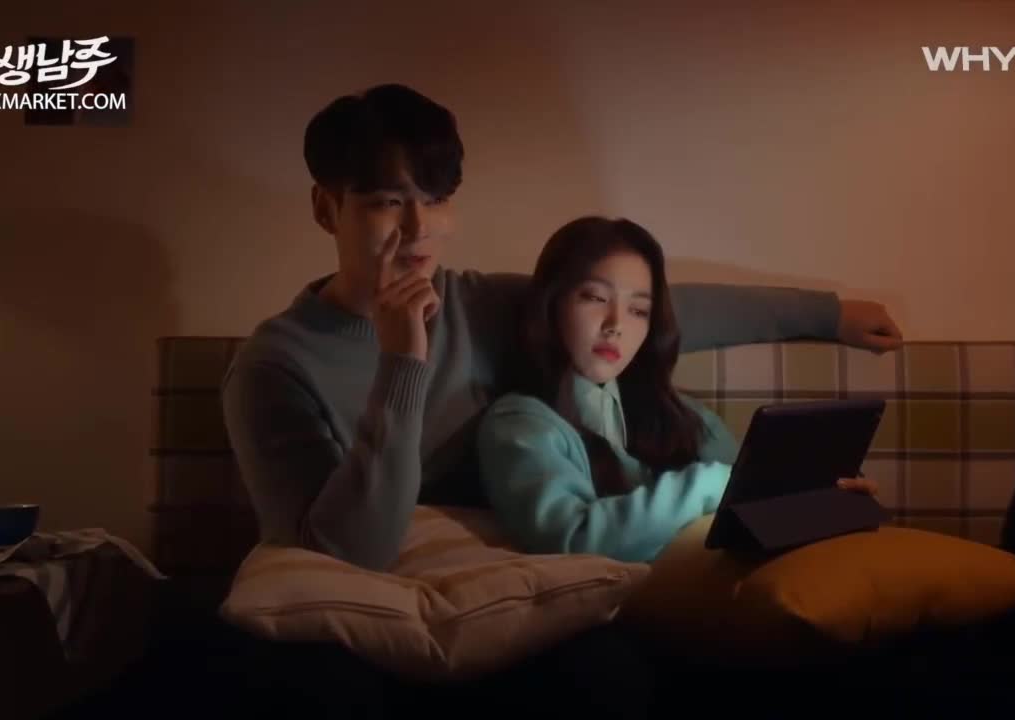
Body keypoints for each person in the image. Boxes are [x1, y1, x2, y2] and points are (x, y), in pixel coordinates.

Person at [218, 82, 902, 718]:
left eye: (437, 197)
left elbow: (640, 307)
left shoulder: (478, 305)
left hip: (510, 588)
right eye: (387, 202)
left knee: (609, 673)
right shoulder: (273, 367)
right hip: (363, 610)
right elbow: (348, 555)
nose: (419, 227)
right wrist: (402, 364)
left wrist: (828, 315)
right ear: (326, 208)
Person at [477, 217, 880, 563]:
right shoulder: (521, 424)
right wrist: (710, 485)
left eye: (639, 310)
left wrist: (823, 498)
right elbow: (571, 539)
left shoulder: (683, 414)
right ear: (551, 304)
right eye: (596, 297)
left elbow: (750, 508)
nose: (616, 324)